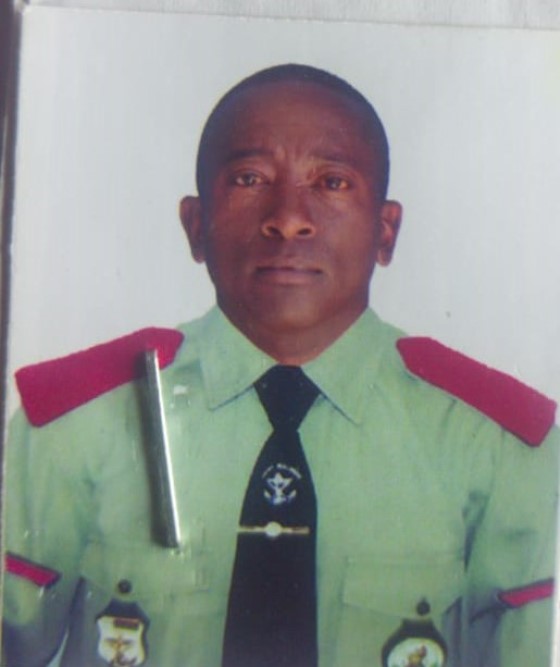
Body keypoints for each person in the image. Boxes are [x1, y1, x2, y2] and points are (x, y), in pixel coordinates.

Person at [2, 64, 558, 667]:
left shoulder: (493, 450)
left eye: (333, 182)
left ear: (386, 231)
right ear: (195, 226)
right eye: (250, 178)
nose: (289, 218)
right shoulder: (77, 429)